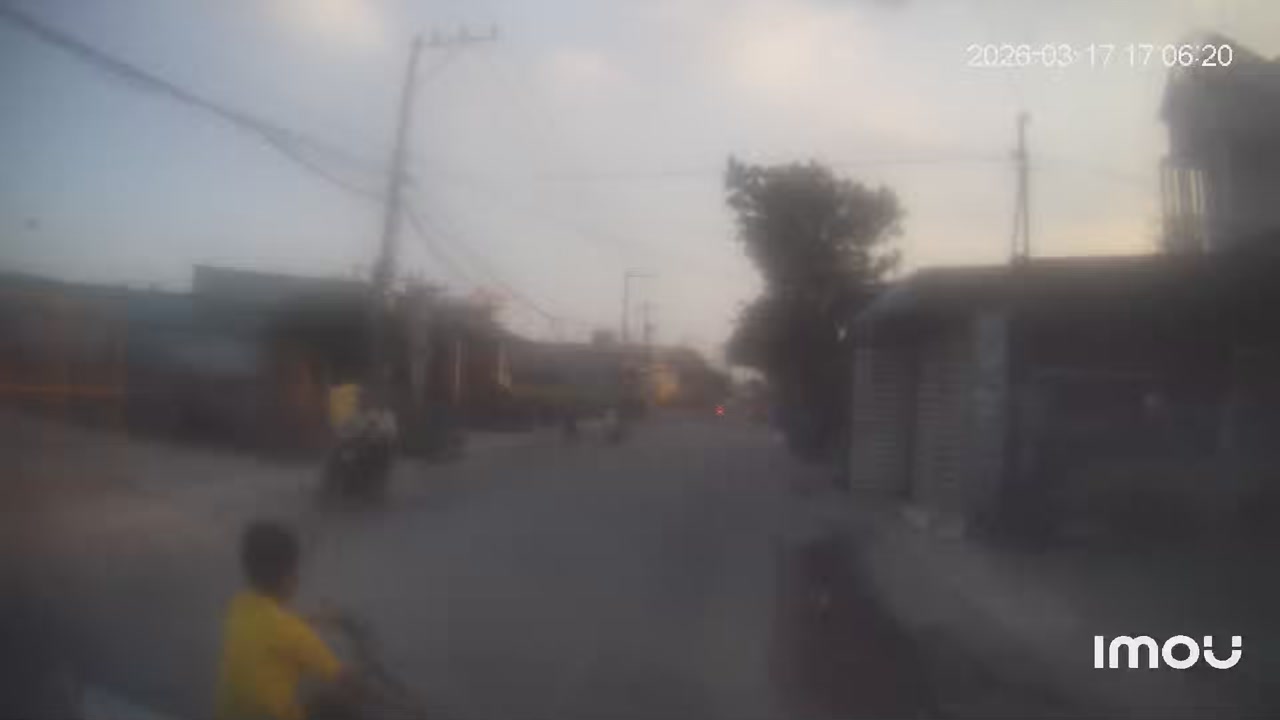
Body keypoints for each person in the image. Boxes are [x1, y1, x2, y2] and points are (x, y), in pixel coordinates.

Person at [215, 521, 351, 720]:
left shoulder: (238, 607)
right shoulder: (296, 634)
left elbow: (272, 627)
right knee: (335, 703)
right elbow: (342, 677)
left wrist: (319, 619)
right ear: (288, 578)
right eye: (296, 572)